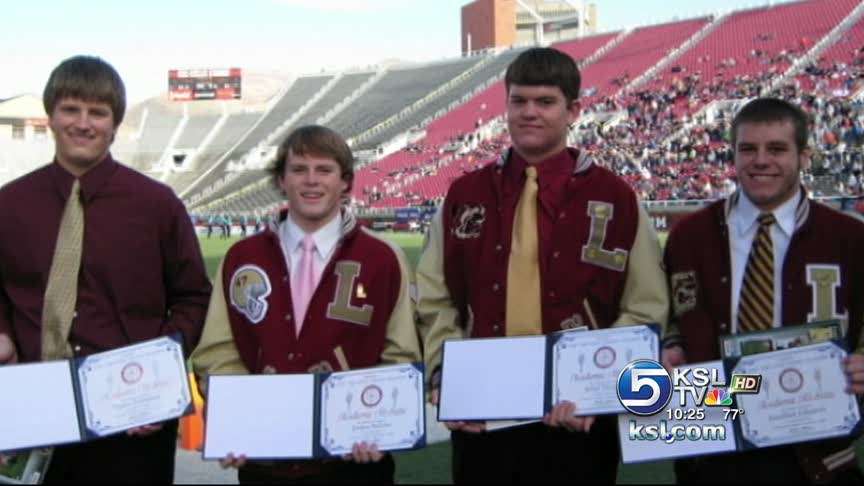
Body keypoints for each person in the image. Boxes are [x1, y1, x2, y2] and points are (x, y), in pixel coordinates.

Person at [416, 47, 669, 483]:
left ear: (573, 110)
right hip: (483, 415)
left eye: (545, 102)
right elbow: (435, 297)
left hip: (578, 419)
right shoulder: (463, 195)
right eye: (519, 101)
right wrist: (448, 377)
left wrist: (601, 388)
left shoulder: (617, 197)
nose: (529, 113)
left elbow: (646, 303)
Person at [0, 55, 212, 483]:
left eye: (97, 112)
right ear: (51, 117)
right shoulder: (9, 205)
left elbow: (193, 296)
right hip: (32, 408)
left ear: (115, 124)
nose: (83, 123)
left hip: (132, 422)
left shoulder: (157, 206)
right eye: (71, 109)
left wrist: (159, 381)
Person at [191, 125, 421, 484]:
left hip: (352, 462)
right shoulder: (242, 257)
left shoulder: (383, 258)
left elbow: (401, 352)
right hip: (265, 460)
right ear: (281, 180)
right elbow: (219, 350)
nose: (311, 181)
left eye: (324, 170)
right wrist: (235, 421)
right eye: (299, 169)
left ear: (345, 181)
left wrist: (380, 424)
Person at [663, 97, 864, 484]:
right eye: (748, 149)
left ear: (805, 156)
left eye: (776, 149)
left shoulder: (850, 237)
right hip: (712, 441)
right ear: (733, 155)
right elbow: (670, 312)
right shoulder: (688, 236)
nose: (760, 160)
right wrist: (671, 343)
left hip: (816, 448)